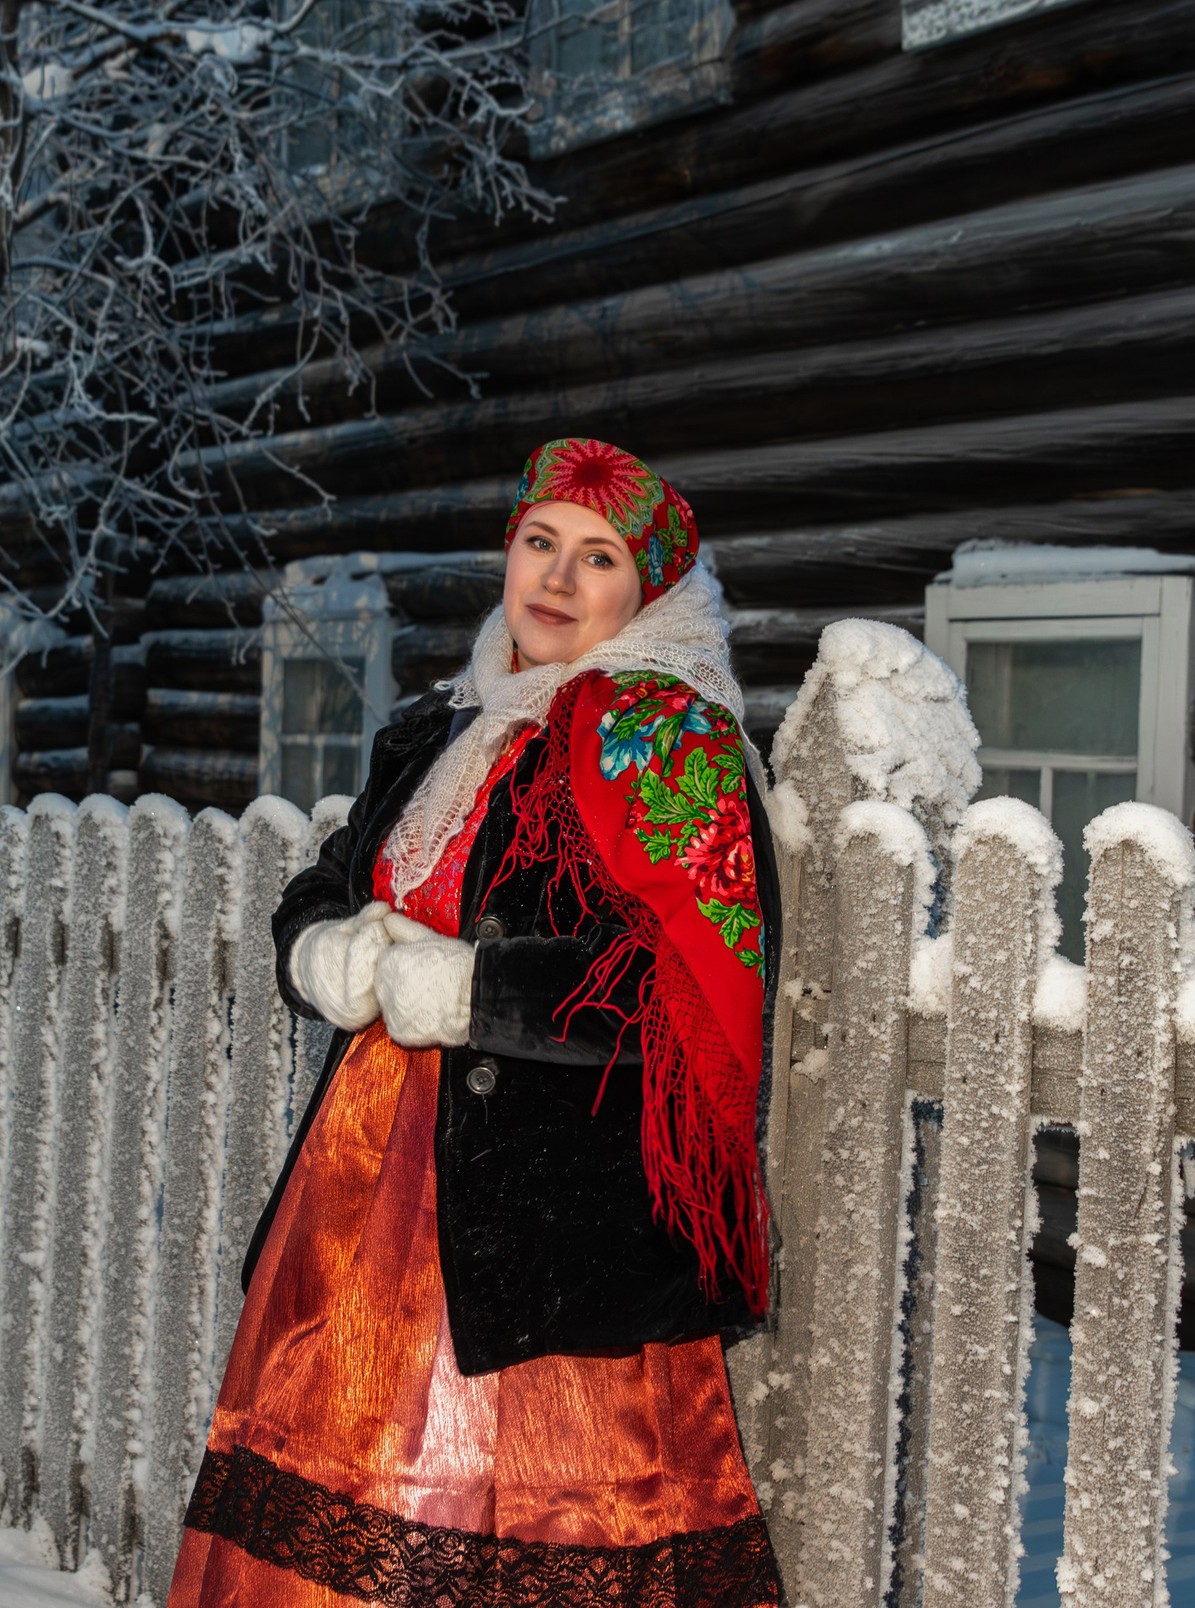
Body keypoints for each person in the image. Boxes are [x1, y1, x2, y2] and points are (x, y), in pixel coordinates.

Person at [169, 439, 787, 1607]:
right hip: (364, 1192)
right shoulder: (441, 726)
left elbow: (678, 989)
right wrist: (327, 948)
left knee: (524, 1512)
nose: (555, 579)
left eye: (596, 558)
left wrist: (470, 993)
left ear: (645, 592)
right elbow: (329, 877)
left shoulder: (659, 743)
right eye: (538, 543)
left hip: (548, 1217)